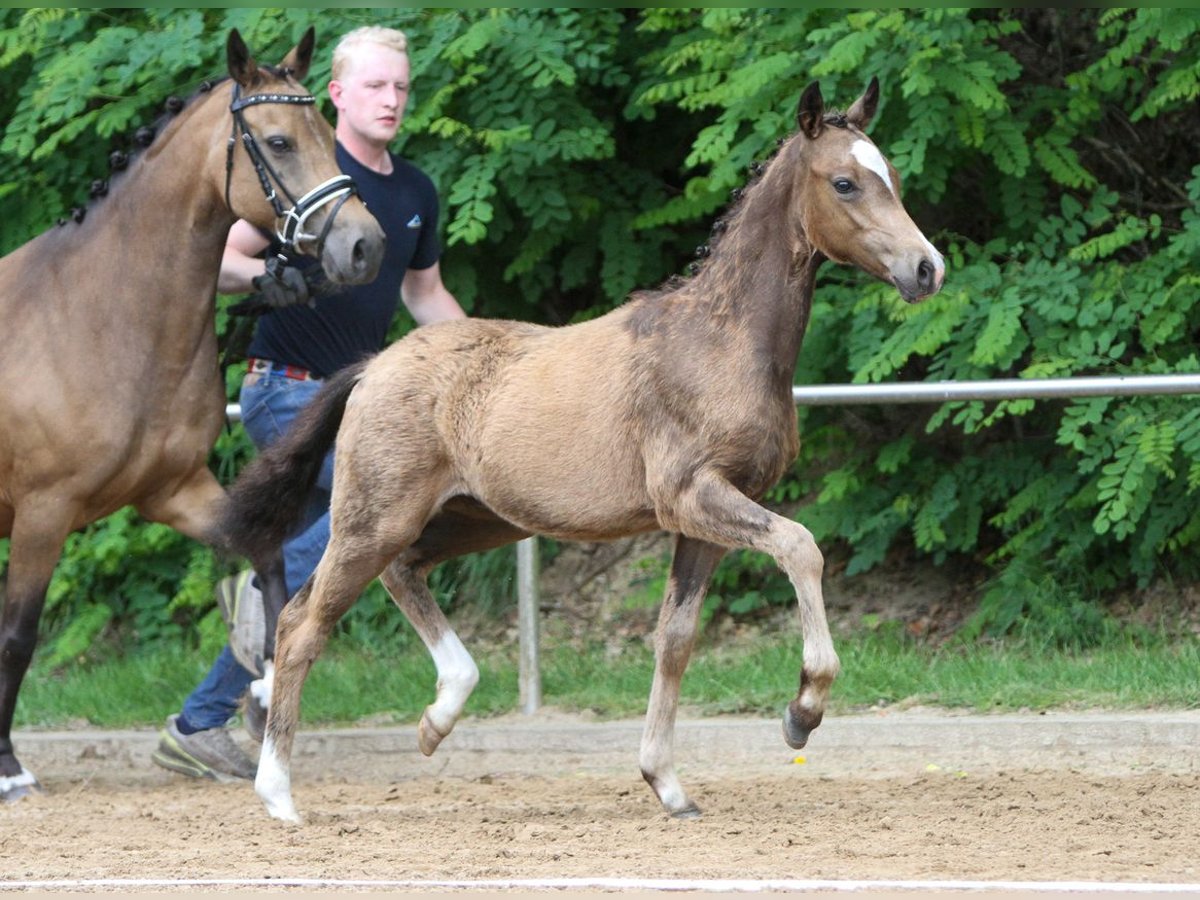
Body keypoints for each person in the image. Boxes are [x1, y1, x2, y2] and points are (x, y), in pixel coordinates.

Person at [152, 25, 467, 781]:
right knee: (385, 515)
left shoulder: (415, 190)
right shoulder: (297, 169)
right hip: (284, 388)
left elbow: (425, 296)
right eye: (374, 87)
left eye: (400, 86)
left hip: (363, 405)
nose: (391, 99)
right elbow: (222, 262)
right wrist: (267, 282)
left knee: (358, 532)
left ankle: (199, 721)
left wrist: (502, 366)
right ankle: (258, 593)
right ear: (336, 95)